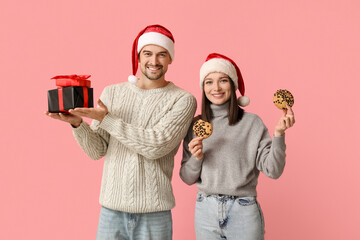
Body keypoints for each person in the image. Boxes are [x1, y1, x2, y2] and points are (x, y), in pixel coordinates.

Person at [46, 25, 197, 240]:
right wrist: (78, 124)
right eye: (148, 53)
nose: (154, 61)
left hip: (154, 214)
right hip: (111, 211)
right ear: (138, 56)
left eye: (161, 55)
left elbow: (156, 146)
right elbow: (97, 150)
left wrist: (106, 119)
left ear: (170, 58)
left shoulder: (182, 100)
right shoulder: (113, 92)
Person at [180, 53, 295, 240]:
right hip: (205, 210)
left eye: (223, 80)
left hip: (243, 210)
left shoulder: (252, 123)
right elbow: (186, 178)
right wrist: (196, 158)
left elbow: (273, 170)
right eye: (209, 82)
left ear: (232, 84)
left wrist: (279, 134)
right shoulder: (196, 125)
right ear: (203, 88)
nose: (216, 87)